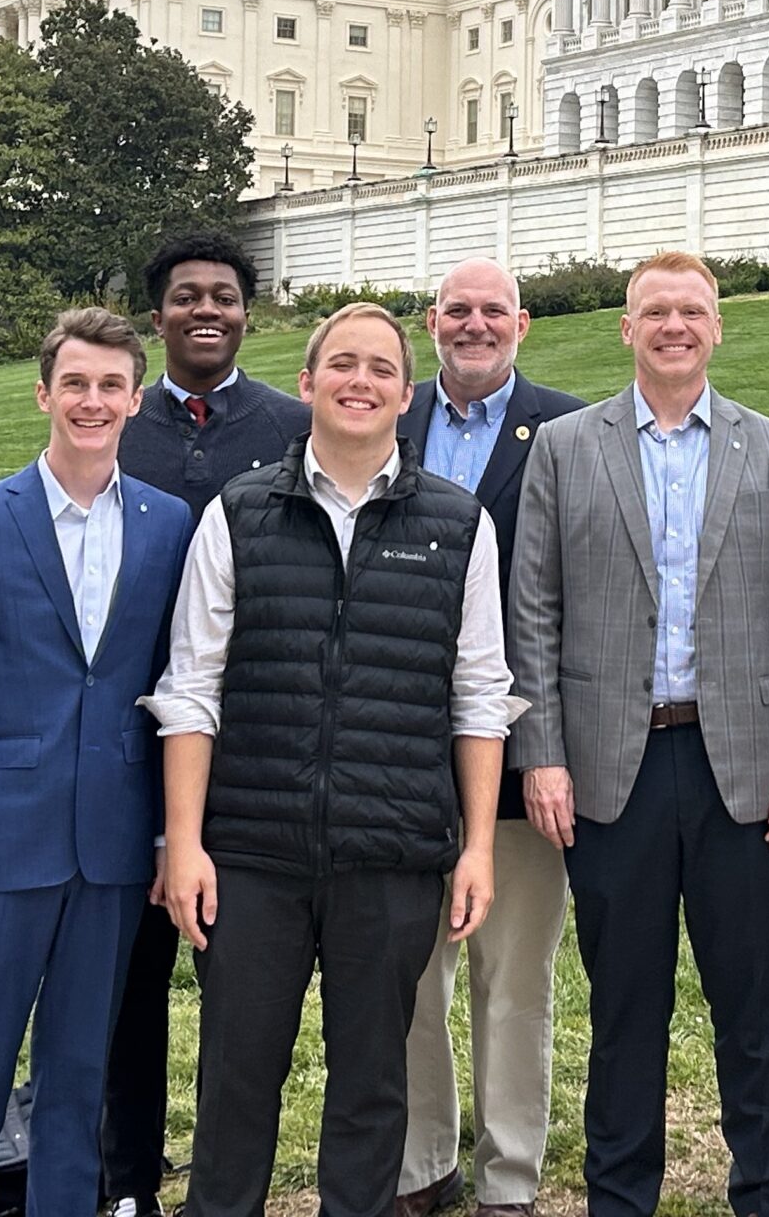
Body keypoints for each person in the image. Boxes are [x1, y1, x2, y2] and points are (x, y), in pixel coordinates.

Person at [147, 302, 511, 1217]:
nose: (361, 381)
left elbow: (479, 696)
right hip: (254, 854)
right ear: (306, 384)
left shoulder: (459, 524)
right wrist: (183, 844)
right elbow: (191, 688)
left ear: (405, 391)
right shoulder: (239, 514)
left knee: (372, 1088)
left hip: (390, 854)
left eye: (381, 368)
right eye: (340, 364)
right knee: (235, 1080)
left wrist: (476, 848)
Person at [509, 251, 769, 1217]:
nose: (674, 326)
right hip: (613, 767)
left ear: (717, 326)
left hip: (743, 764)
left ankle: (765, 1191)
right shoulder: (566, 447)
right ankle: (620, 1197)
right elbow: (534, 612)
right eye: (655, 311)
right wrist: (545, 755)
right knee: (625, 1008)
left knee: (753, 1006)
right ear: (627, 328)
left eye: (692, 310)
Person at [0, 308, 195, 1217]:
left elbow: (168, 691)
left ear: (136, 400)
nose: (93, 401)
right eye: (75, 383)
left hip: (111, 849)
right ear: (43, 393)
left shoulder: (169, 524)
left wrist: (161, 834)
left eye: (112, 385)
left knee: (80, 1079)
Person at [103, 230, 311, 1217]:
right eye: (186, 296)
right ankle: (127, 1179)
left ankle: (229, 1185)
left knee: (239, 996)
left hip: (252, 747)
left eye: (223, 296)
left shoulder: (291, 427)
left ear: (245, 313)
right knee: (128, 985)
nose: (206, 311)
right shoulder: (114, 423)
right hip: (123, 744)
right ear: (158, 317)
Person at [396, 259, 586, 1217]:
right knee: (406, 973)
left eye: (493, 312)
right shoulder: (384, 421)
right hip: (393, 752)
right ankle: (419, 1165)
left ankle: (510, 1175)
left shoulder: (569, 427)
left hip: (518, 755)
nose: (475, 326)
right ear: (432, 322)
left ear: (523, 323)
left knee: (514, 975)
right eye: (457, 311)